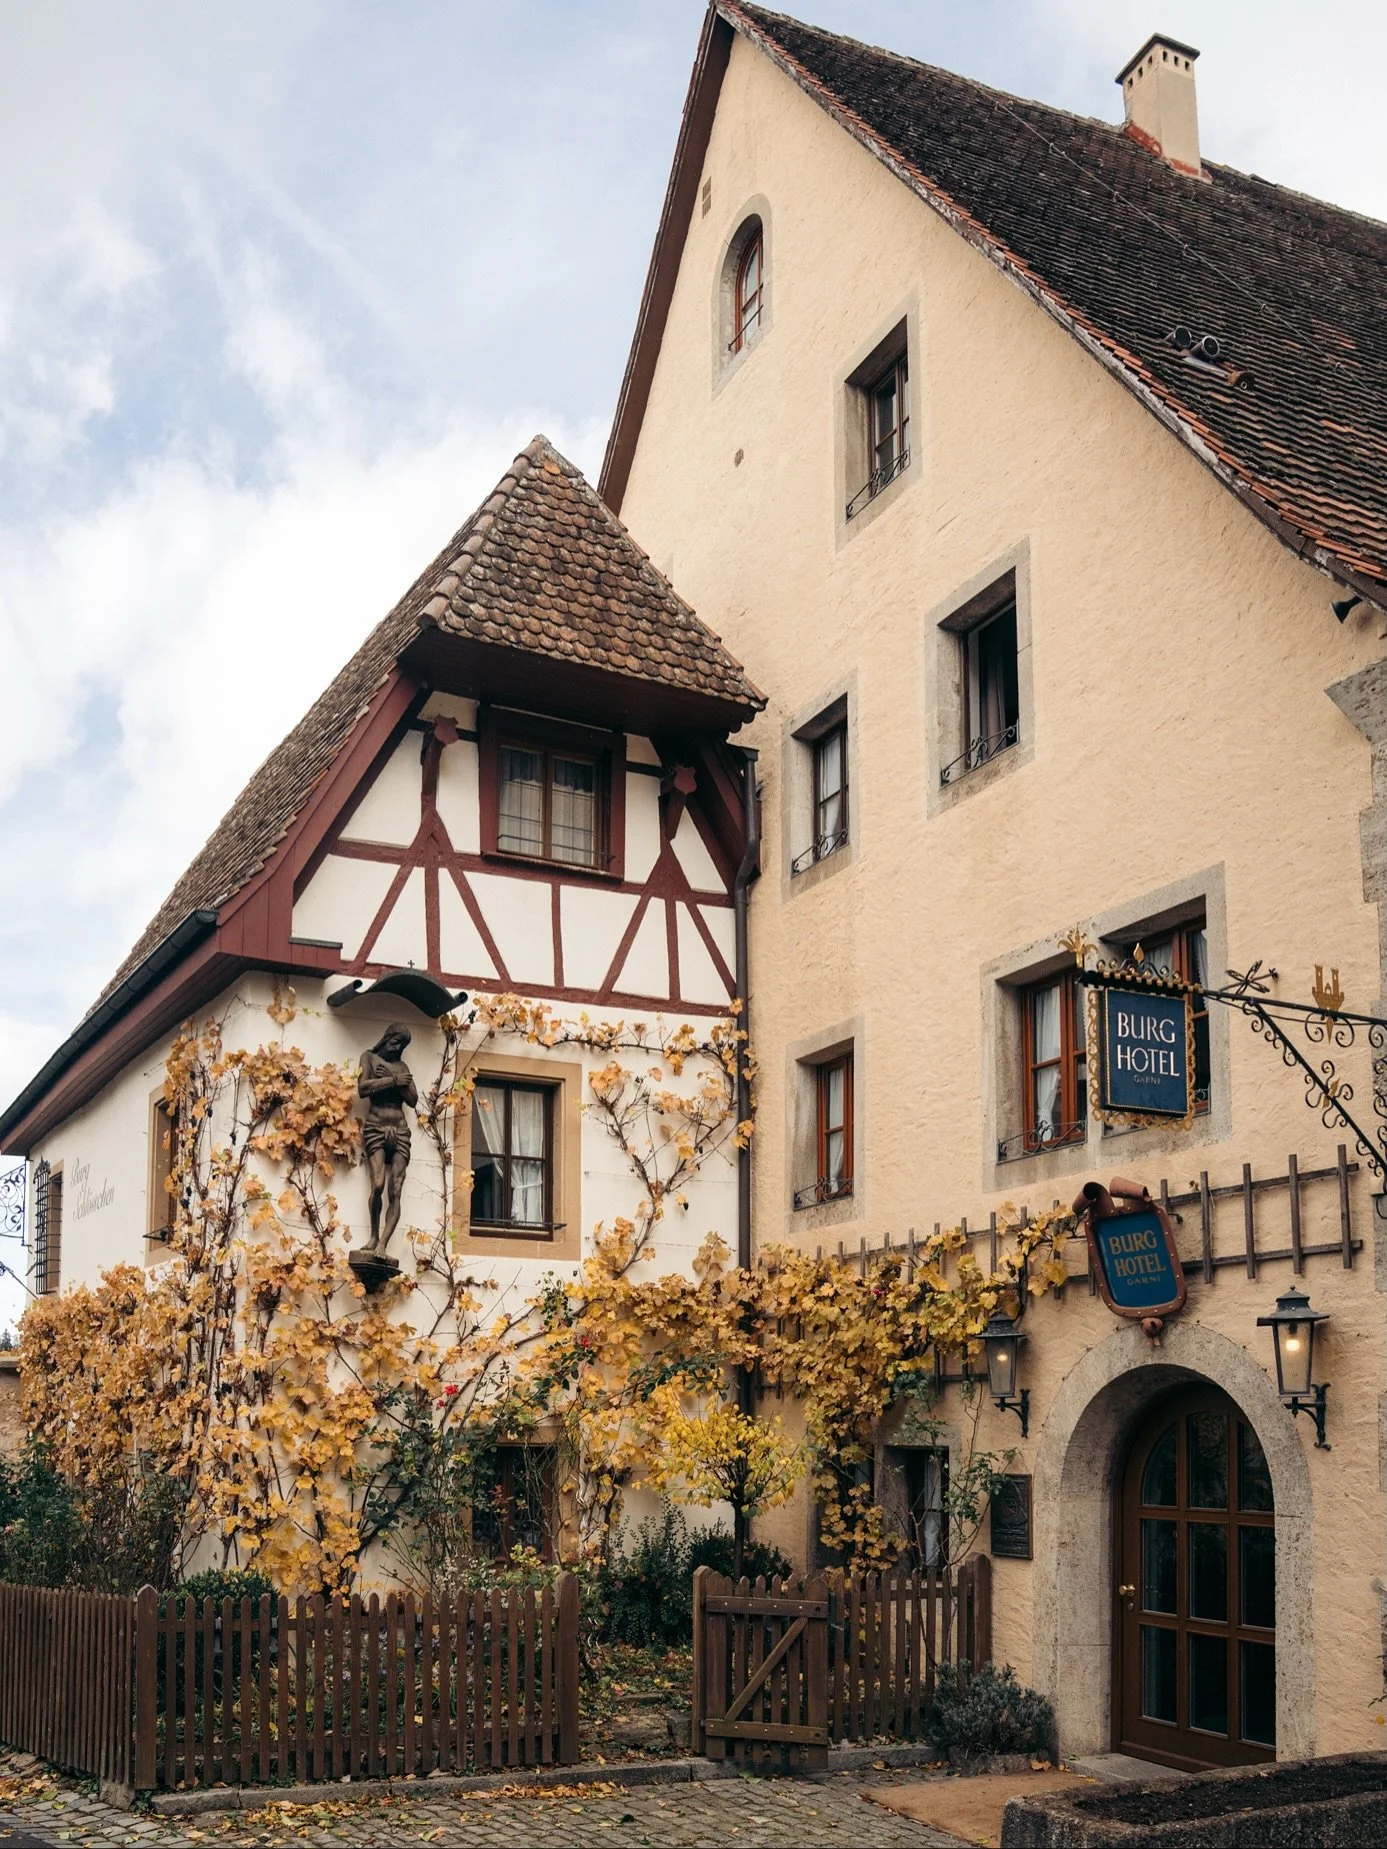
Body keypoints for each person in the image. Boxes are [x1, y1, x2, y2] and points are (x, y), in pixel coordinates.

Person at [357, 1024, 418, 1259]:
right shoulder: (369, 1058)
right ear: (387, 1038)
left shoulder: (402, 1067)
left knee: (396, 1189)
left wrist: (398, 1080)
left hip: (400, 1130)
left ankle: (383, 1244)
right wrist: (393, 1081)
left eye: (402, 1045)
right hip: (375, 1127)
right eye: (396, 1041)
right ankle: (373, 1235)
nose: (397, 1047)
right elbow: (363, 1088)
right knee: (378, 1185)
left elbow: (412, 1099)